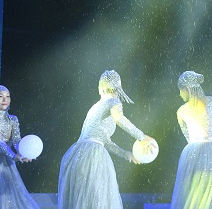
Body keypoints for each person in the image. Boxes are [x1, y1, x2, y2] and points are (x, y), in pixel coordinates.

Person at [57, 70, 156, 209]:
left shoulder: (95, 107)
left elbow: (102, 138)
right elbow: (119, 118)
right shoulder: (113, 102)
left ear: (101, 87)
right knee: (97, 201)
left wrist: (125, 153)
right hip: (93, 158)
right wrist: (142, 136)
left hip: (78, 156)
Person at [168, 71, 212, 209]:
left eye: (181, 90)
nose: (180, 94)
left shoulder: (181, 111)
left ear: (187, 89)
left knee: (191, 194)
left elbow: (188, 137)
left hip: (192, 153)